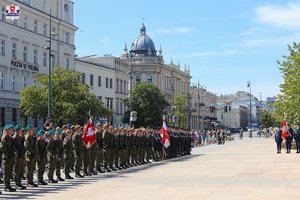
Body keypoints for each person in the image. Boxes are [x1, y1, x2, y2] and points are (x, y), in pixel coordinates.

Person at [2, 124, 16, 192]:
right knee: (6, 172)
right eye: (10, 129)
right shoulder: (4, 138)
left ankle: (8, 186)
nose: (12, 130)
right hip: (6, 158)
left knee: (10, 172)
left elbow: (12, 147)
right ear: (7, 130)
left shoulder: (10, 138)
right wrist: (8, 155)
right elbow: (3, 148)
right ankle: (6, 186)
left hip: (10, 157)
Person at [13, 125, 26, 190]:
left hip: (21, 155)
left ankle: (19, 183)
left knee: (20, 170)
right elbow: (14, 148)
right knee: (16, 170)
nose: (21, 131)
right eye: (20, 130)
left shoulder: (21, 137)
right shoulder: (15, 137)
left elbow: (22, 146)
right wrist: (18, 153)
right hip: (17, 156)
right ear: (17, 130)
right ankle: (16, 184)